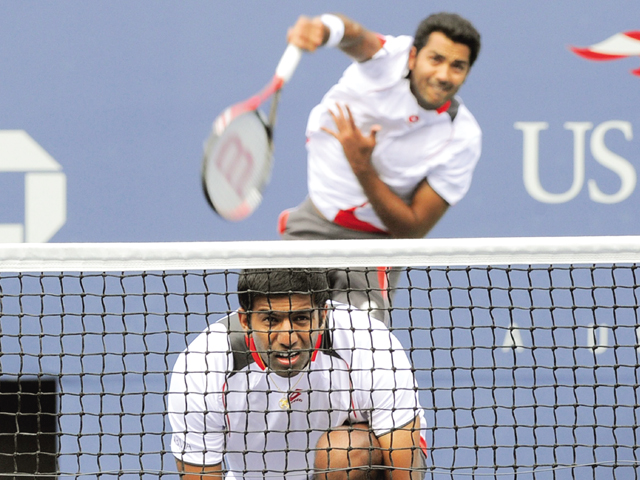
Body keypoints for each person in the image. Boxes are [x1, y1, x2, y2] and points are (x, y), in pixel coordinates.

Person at [278, 13, 482, 322]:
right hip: (314, 219)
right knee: (273, 325)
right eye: (436, 59)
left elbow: (411, 229)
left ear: (466, 74)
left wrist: (362, 165)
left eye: (457, 66)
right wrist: (323, 28)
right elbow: (355, 36)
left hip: (373, 247)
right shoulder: (389, 58)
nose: (444, 74)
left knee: (367, 351)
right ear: (413, 56)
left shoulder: (462, 136)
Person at [168, 269, 426, 479]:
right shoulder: (202, 368)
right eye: (270, 320)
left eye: (301, 318)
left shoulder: (369, 344)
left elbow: (404, 471)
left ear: (323, 315)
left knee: (346, 451)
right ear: (245, 320)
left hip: (342, 469)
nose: (287, 338)